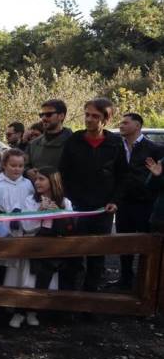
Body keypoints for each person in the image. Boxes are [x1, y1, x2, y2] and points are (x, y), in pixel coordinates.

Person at [59, 98, 127, 292]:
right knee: (72, 255)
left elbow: (123, 176)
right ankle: (68, 301)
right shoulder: (74, 140)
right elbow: (63, 172)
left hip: (102, 210)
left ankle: (91, 303)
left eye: (95, 116)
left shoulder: (115, 144)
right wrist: (65, 200)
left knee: (97, 257)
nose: (89, 119)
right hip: (76, 208)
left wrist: (114, 201)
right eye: (87, 114)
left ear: (106, 119)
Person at [0, 149, 34, 326]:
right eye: (13, 165)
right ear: (4, 165)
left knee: (15, 274)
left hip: (20, 234)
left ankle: (12, 307)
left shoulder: (28, 185)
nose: (17, 169)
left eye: (20, 166)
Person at [18, 167, 73, 327]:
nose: (37, 182)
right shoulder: (30, 201)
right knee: (28, 280)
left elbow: (69, 228)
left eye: (41, 179)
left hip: (53, 250)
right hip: (33, 247)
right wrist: (39, 212)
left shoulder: (65, 202)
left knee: (45, 279)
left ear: (52, 181)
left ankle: (34, 312)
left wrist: (58, 213)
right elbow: (26, 226)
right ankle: (20, 312)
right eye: (36, 179)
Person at [115, 113, 162, 288]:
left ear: (137, 126)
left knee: (145, 244)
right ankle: (125, 279)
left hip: (144, 204)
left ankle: (145, 282)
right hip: (123, 204)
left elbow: (159, 177)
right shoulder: (117, 147)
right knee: (123, 243)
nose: (121, 125)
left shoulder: (154, 148)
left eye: (125, 123)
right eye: (121, 122)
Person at [25, 99, 72, 180]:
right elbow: (23, 165)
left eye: (48, 114)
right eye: (41, 115)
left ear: (61, 116)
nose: (43, 118)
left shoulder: (74, 143)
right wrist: (27, 172)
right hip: (37, 191)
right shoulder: (33, 144)